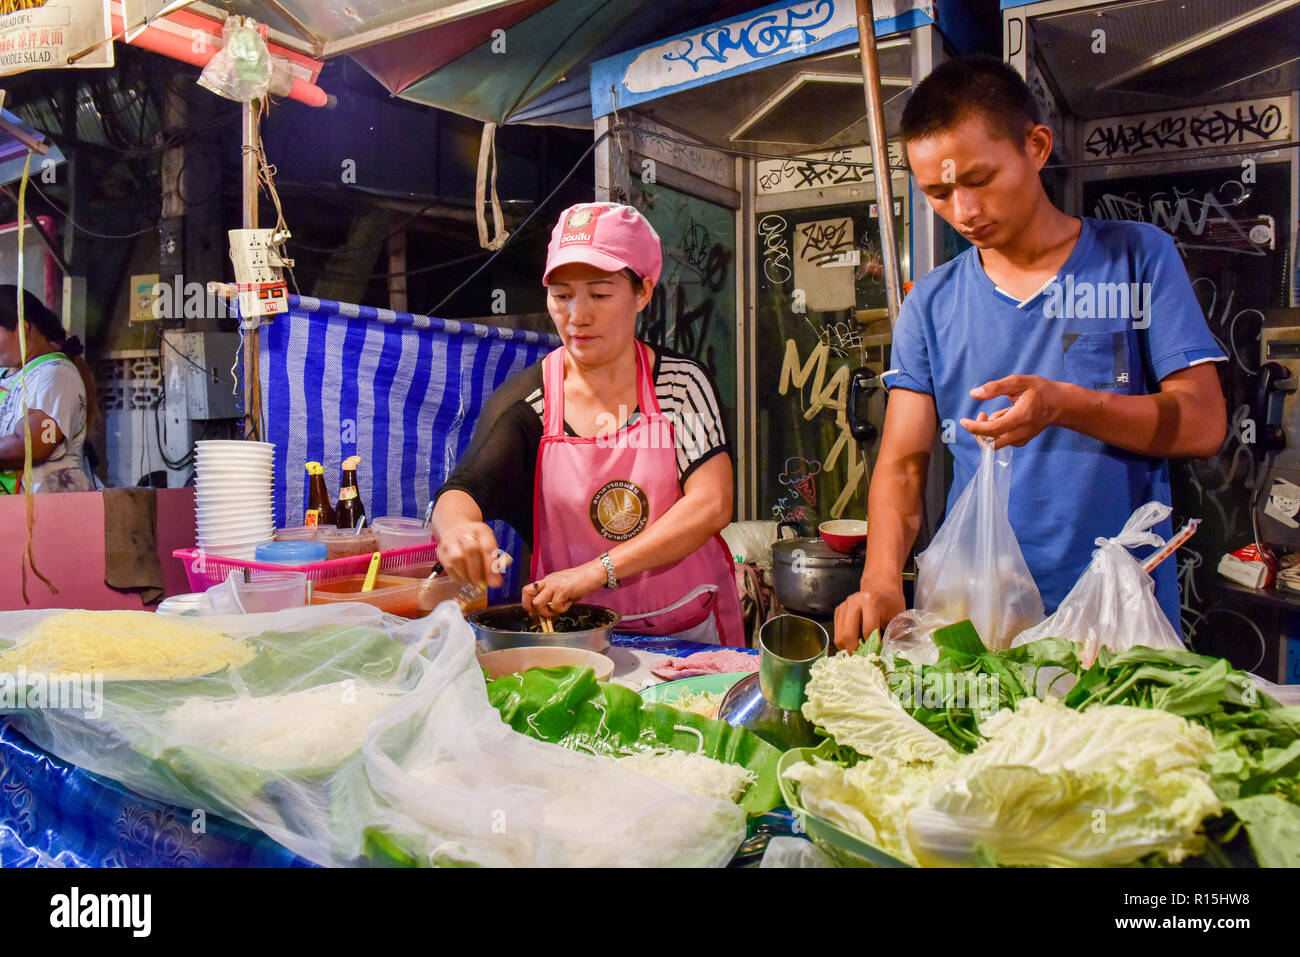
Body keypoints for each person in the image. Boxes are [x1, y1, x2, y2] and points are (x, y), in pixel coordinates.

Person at [835, 56, 1228, 651]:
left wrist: (1065, 405)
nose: (962, 211)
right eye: (937, 192)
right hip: (981, 621)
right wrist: (881, 576)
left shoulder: (1136, 259)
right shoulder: (932, 302)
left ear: (1037, 147)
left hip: (1119, 621)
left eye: (980, 179)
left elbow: (1202, 422)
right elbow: (903, 462)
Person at [432, 202, 746, 646]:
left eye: (599, 294)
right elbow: (463, 490)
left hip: (687, 629)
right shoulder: (532, 400)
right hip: (575, 635)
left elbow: (712, 503)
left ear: (643, 293)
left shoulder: (677, 386)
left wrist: (597, 572)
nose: (577, 316)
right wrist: (459, 531)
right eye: (562, 296)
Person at [0, 286, 99, 494]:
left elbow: (32, 446)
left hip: (46, 510)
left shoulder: (55, 374)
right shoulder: (9, 374)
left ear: (23, 329)